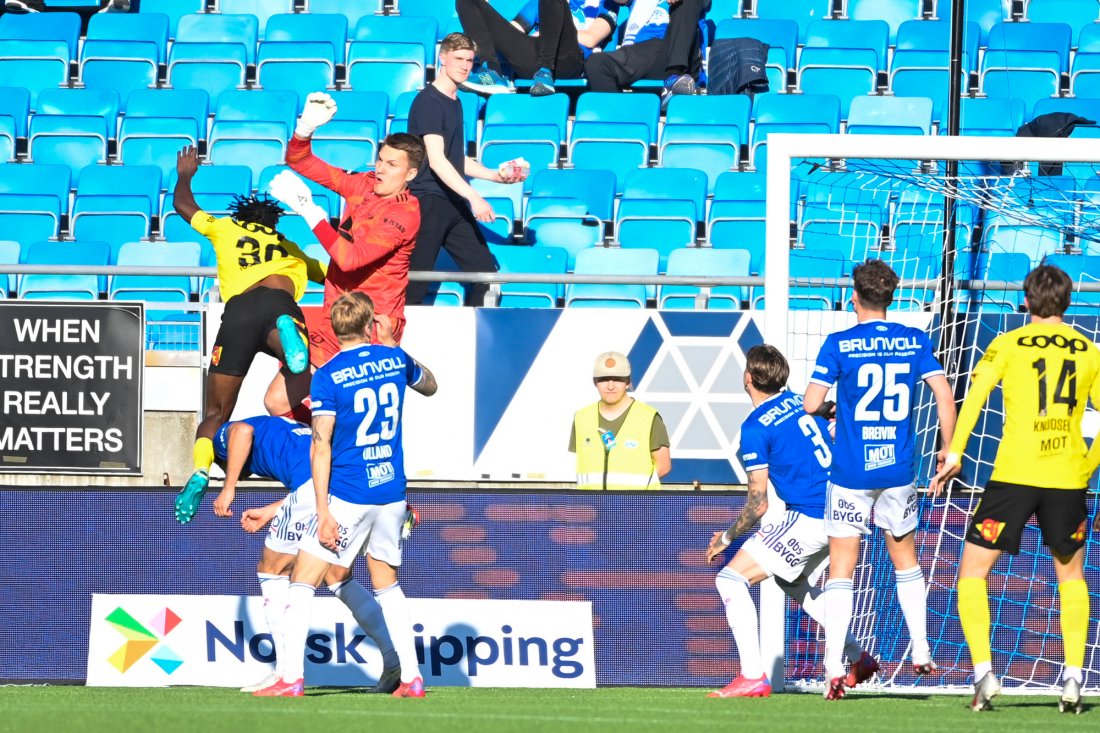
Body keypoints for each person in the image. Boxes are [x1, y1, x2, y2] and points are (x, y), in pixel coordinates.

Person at [930, 264, 1100, 714]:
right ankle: (1073, 678)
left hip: (1013, 477)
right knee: (1071, 577)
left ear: (1024, 301)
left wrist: (955, 453)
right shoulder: (1089, 350)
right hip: (1067, 478)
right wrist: (1088, 463)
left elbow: (975, 398)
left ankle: (984, 673)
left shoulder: (1006, 343)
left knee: (971, 574)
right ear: (1068, 302)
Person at [253, 292, 438, 698]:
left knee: (302, 579)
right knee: (387, 584)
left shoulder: (330, 374)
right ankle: (411, 677)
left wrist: (322, 511)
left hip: (350, 491)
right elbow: (430, 385)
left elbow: (321, 445)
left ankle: (290, 677)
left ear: (333, 331)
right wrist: (394, 345)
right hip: (392, 491)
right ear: (371, 323)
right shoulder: (393, 358)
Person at [803, 258, 957, 700]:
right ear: (892, 298)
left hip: (851, 472)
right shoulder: (914, 340)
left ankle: (834, 666)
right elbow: (944, 395)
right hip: (898, 470)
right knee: (905, 560)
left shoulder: (838, 343)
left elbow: (813, 402)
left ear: (854, 297)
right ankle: (922, 649)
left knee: (841, 570)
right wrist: (948, 450)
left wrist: (837, 410)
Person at [705, 344, 875, 699]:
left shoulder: (754, 427)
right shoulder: (802, 399)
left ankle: (753, 675)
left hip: (812, 516)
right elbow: (842, 415)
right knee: (793, 581)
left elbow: (759, 504)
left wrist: (726, 538)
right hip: (847, 509)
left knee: (731, 579)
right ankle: (858, 657)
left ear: (747, 379)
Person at [172, 145, 326, 525]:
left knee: (215, 412)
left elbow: (183, 207)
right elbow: (336, 271)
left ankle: (201, 472)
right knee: (294, 366)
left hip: (239, 312)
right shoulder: (288, 247)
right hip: (279, 303)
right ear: (272, 223)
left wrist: (185, 175)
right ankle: (289, 338)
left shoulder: (224, 229)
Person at [208, 414, 406, 694]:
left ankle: (284, 673)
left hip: (313, 489)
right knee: (337, 575)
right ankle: (394, 659)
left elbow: (242, 431)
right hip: (343, 490)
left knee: (272, 570)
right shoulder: (285, 431)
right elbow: (310, 473)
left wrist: (228, 488)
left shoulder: (223, 438)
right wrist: (270, 511)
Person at [265, 95, 424, 416]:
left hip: (370, 327)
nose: (380, 169)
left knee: (351, 414)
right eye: (380, 160)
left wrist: (310, 213)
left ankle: (337, 456)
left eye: (392, 165)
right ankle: (323, 455)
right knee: (276, 402)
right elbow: (301, 162)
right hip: (332, 317)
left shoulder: (405, 214)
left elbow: (350, 259)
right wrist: (305, 128)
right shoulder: (362, 184)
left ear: (410, 175)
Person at [406, 32, 527, 308]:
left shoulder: (456, 102)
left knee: (485, 275)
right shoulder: (429, 101)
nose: (464, 65)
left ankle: (477, 341)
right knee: (414, 283)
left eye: (470, 60)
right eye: (458, 58)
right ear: (443, 57)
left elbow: (454, 158)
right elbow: (437, 160)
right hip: (428, 202)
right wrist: (475, 197)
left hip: (452, 202)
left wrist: (496, 176)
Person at [455, 0, 619, 96]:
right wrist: (487, 17)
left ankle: (545, 71)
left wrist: (546, 33)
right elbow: (514, 30)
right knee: (468, 2)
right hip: (534, 57)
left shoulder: (607, 4)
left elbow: (591, 39)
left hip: (569, 59)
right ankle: (492, 73)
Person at [569, 351, 670, 489]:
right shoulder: (581, 417)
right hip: (591, 506)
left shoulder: (649, 418)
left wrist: (633, 495)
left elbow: (664, 466)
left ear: (628, 382)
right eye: (604, 379)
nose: (611, 386)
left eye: (617, 379)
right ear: (595, 382)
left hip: (635, 507)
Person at [584, 0, 709, 107]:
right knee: (596, 63)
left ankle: (673, 80)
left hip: (682, 54)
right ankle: (619, 125)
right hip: (643, 52)